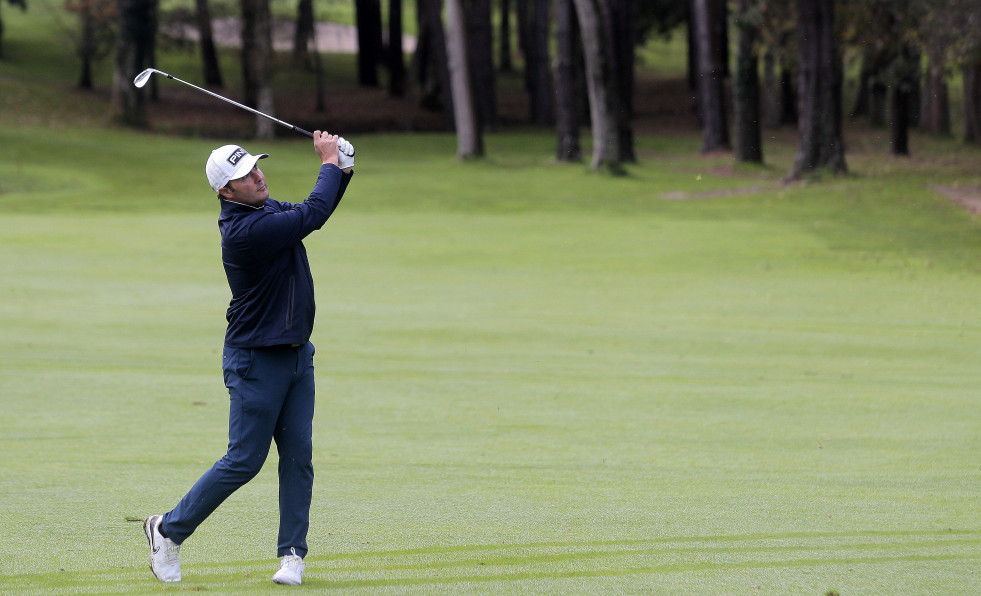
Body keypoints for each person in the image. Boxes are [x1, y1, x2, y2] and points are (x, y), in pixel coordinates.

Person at [143, 131, 355, 586]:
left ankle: (292, 556)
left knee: (299, 457)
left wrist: (344, 170)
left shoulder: (265, 208)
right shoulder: (244, 231)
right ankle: (167, 529)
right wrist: (330, 164)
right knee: (244, 460)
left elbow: (313, 211)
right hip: (255, 360)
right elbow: (312, 214)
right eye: (244, 176)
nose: (258, 177)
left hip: (298, 355)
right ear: (225, 191)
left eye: (256, 167)